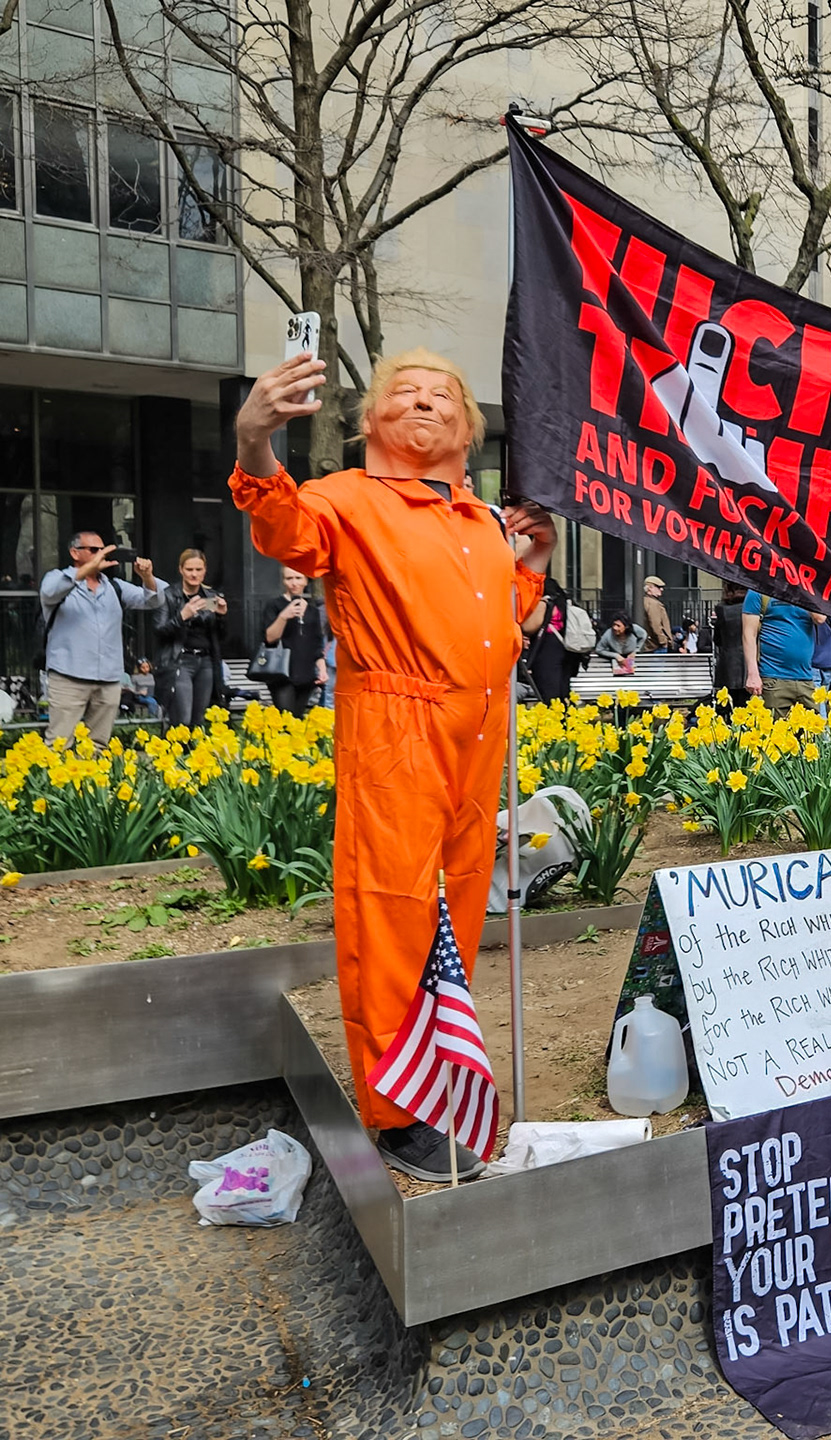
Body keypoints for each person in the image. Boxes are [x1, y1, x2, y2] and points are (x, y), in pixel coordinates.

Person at [228, 345, 553, 1182]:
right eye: (402, 393)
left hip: (480, 735)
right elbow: (284, 530)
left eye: (442, 394)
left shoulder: (484, 520)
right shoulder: (347, 498)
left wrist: (536, 564)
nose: (422, 402)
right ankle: (396, 1108)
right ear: (371, 421)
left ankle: (441, 1065)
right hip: (397, 725)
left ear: (468, 426)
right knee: (392, 909)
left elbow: (501, 622)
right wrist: (256, 440)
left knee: (464, 901)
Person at [39, 531, 165, 741]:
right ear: (74, 553)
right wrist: (87, 570)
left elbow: (153, 601)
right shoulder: (56, 579)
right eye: (94, 550)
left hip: (108, 679)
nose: (101, 554)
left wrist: (147, 577)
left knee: (97, 746)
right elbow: (50, 592)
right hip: (68, 677)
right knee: (59, 745)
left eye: (103, 550)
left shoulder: (114, 586)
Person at [153, 549, 228, 728]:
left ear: (205, 570)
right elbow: (159, 630)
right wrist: (182, 616)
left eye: (198, 569)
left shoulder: (211, 596)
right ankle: (174, 753)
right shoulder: (169, 595)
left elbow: (221, 636)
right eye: (189, 569)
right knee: (182, 719)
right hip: (179, 660)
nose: (194, 574)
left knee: (199, 719)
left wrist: (221, 616)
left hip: (206, 661)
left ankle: (193, 754)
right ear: (181, 570)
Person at [743, 590, 828, 714]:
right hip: (773, 679)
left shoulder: (808, 589)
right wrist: (752, 674)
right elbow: (749, 635)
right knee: (775, 731)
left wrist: (801, 588)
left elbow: (820, 618)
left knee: (811, 732)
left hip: (806, 679)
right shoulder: (759, 590)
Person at [260, 566, 329, 716]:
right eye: (289, 578)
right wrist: (284, 616)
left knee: (298, 720)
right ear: (283, 581)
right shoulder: (274, 605)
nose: (294, 583)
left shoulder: (312, 611)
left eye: (298, 578)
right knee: (285, 719)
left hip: (306, 674)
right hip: (281, 673)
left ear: (306, 581)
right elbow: (269, 638)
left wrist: (322, 670)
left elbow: (317, 645)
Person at [520, 574, 577, 703]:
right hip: (566, 648)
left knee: (548, 692)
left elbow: (529, 627)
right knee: (562, 692)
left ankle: (552, 719)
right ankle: (564, 719)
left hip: (547, 648)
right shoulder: (565, 603)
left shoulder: (544, 603)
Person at [710, 583, 747, 702]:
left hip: (728, 663)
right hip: (749, 664)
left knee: (731, 704)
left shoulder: (722, 609)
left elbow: (717, 639)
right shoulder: (752, 608)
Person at [640, 575, 673, 651]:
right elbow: (655, 625)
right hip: (656, 646)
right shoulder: (653, 604)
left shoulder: (646, 601)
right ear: (650, 588)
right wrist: (663, 641)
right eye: (658, 587)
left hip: (652, 645)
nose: (661, 589)